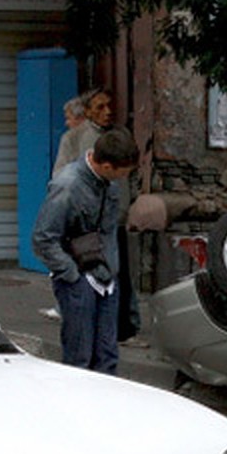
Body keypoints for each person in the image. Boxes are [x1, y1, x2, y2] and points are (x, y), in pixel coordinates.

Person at [32, 127, 140, 374]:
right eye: (122, 172)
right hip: (78, 278)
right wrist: (72, 275)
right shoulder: (67, 186)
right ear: (106, 166)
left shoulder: (108, 184)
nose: (123, 178)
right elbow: (43, 238)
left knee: (107, 355)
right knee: (79, 357)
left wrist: (113, 270)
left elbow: (109, 230)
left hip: (107, 277)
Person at [53, 87, 114, 177]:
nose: (108, 112)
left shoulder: (121, 134)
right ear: (87, 111)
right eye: (100, 108)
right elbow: (59, 176)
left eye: (109, 105)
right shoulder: (72, 137)